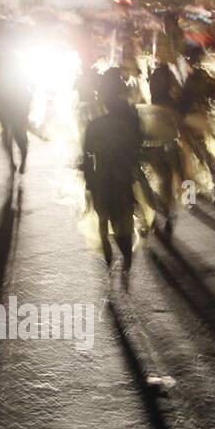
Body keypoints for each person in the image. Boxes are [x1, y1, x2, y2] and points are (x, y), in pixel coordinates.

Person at [81, 70, 144, 290]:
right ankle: (119, 265)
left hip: (114, 179)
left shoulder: (109, 122)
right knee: (109, 226)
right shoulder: (99, 123)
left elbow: (88, 155)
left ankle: (122, 264)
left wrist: (89, 177)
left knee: (113, 226)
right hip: (109, 179)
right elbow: (88, 155)